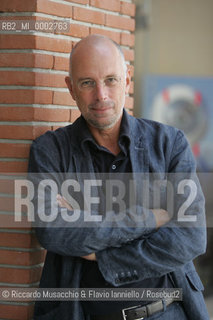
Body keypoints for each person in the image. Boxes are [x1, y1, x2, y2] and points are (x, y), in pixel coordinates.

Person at [28, 35, 209, 320]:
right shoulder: (51, 151)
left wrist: (101, 253)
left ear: (126, 80)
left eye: (110, 80)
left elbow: (191, 237)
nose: (101, 95)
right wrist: (152, 218)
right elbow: (53, 230)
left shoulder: (169, 144)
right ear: (71, 88)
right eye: (87, 83)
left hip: (168, 313)